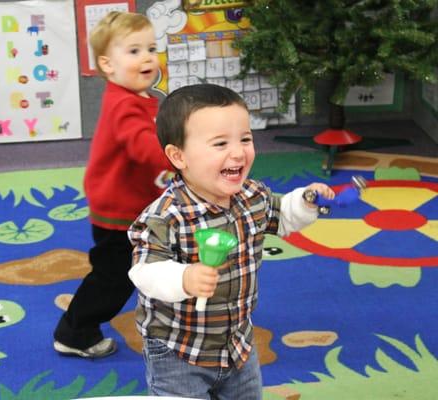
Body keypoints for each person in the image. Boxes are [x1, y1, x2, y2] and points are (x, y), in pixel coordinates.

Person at [127, 83, 335, 399]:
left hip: (237, 343)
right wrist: (183, 277)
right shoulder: (166, 215)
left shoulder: (252, 196)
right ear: (178, 155)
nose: (238, 152)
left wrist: (305, 203)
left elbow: (283, 215)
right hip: (179, 350)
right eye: (220, 143)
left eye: (246, 139)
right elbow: (144, 270)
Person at [53, 11, 171, 358]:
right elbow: (142, 145)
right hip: (118, 212)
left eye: (151, 48)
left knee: (157, 261)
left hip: (140, 205)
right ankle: (74, 331)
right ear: (108, 64)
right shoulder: (123, 105)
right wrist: (176, 157)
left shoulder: (139, 100)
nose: (147, 57)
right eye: (134, 51)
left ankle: (170, 315)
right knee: (114, 277)